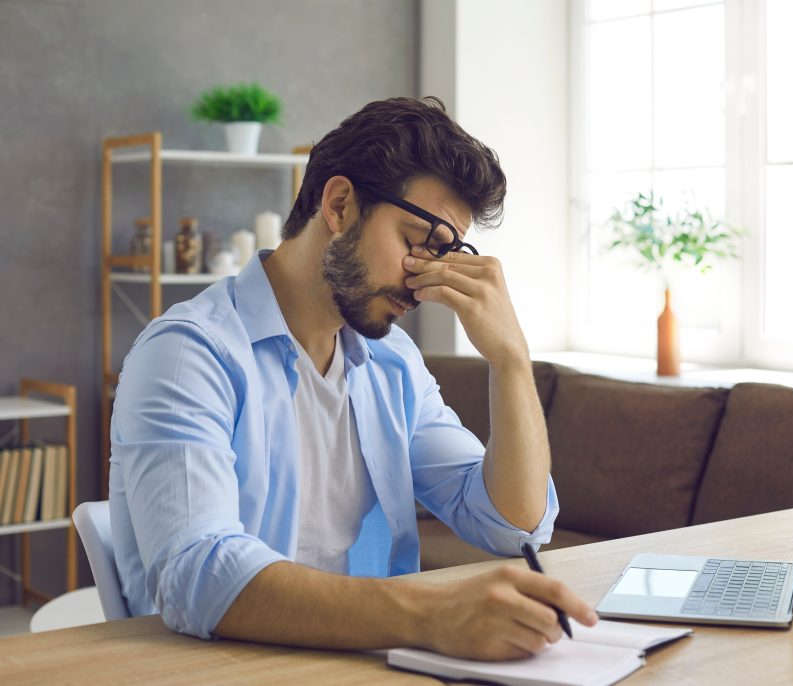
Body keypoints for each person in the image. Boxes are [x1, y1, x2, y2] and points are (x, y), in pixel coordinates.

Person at [109, 96, 597, 660]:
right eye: (419, 241)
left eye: (447, 253)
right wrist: (434, 614)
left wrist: (511, 360)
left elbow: (511, 525)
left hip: (361, 663)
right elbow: (197, 576)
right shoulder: (189, 354)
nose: (424, 279)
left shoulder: (392, 365)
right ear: (339, 204)